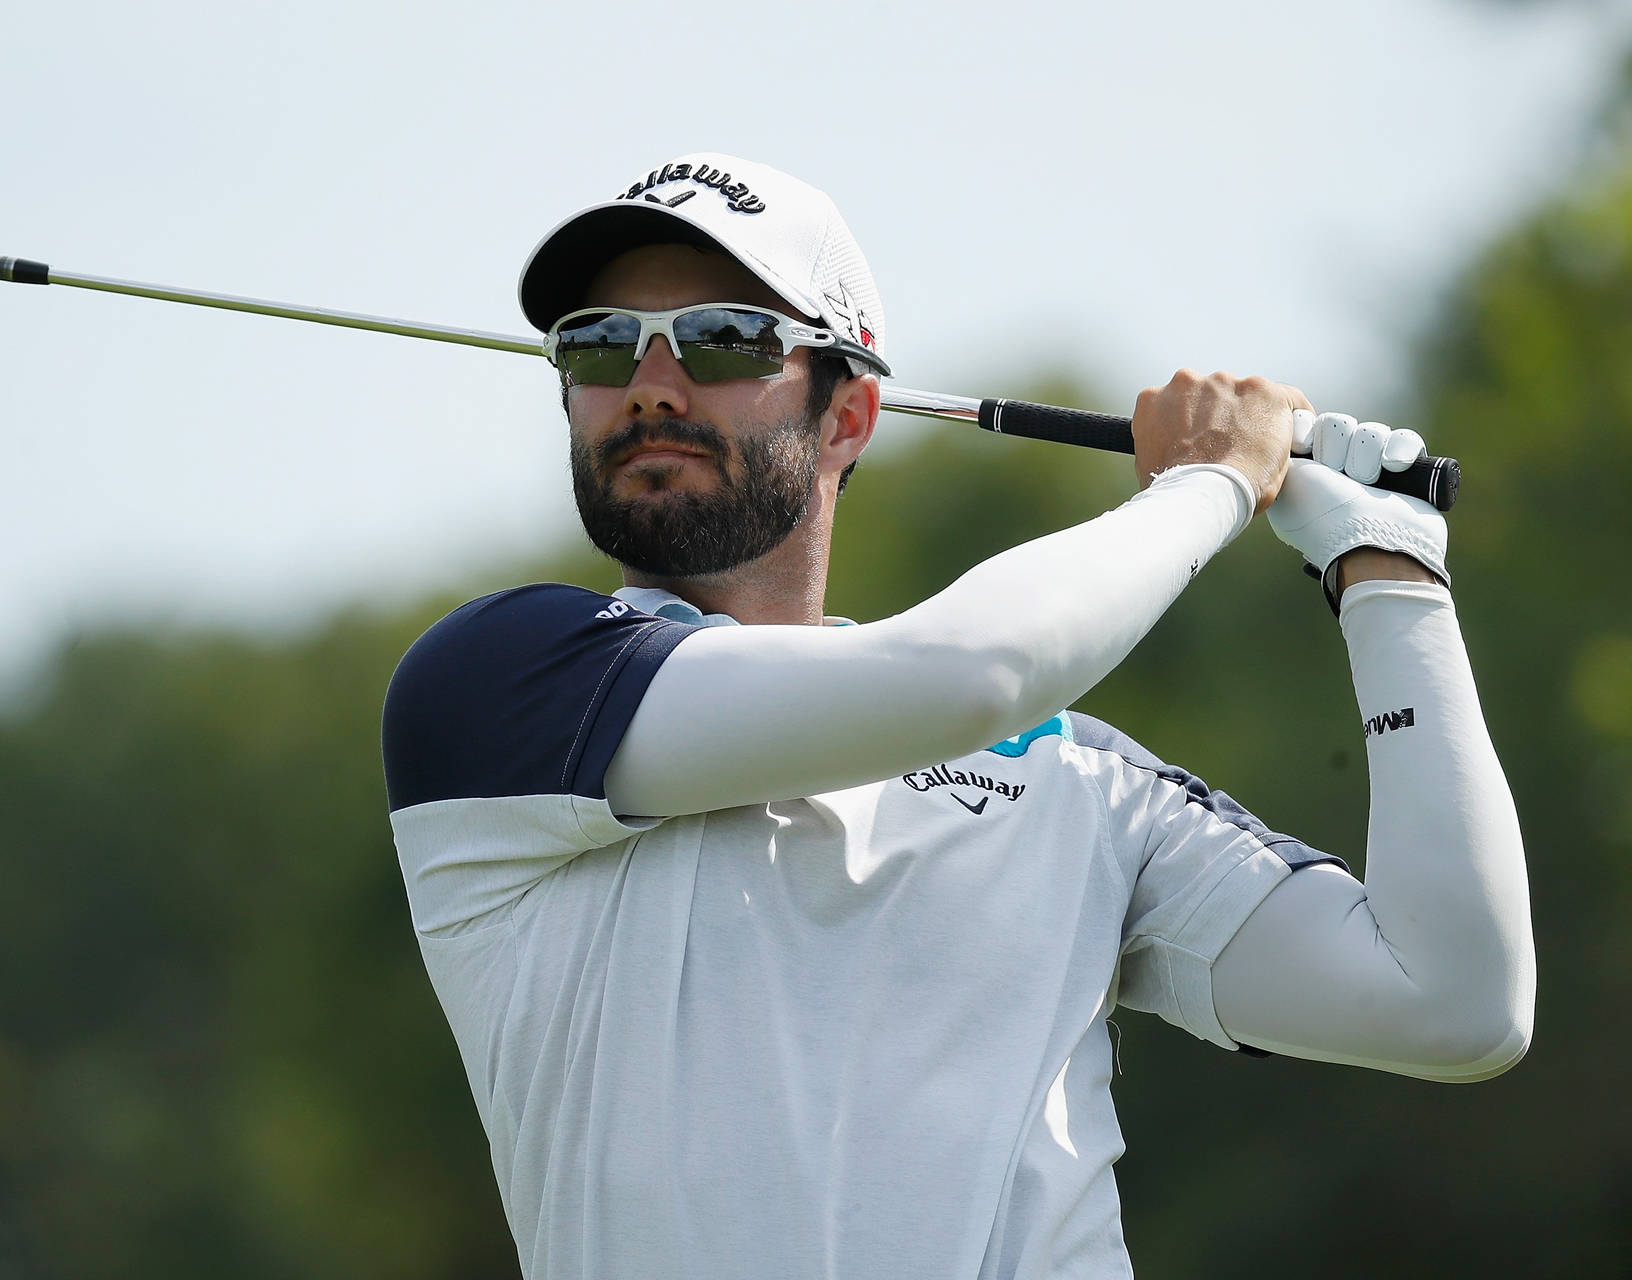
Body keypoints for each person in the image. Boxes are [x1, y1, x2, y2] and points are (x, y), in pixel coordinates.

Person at [379, 153, 1534, 1279]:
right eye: (600, 342)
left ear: (850, 416)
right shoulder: (504, 689)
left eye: (725, 338)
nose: (651, 384)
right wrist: (1211, 481)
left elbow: (1454, 1000)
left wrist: (1387, 574)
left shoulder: (1080, 779)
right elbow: (973, 672)